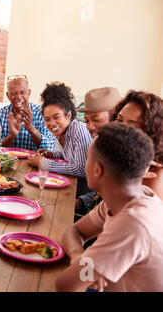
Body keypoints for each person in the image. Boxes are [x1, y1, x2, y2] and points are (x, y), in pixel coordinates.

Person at [56, 123, 163, 292]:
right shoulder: (128, 197)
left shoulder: (132, 224)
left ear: (97, 170)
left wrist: (83, 265)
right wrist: (79, 255)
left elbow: (65, 285)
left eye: (87, 159)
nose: (85, 164)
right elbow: (74, 231)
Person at [27, 82, 92, 196]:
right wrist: (52, 155)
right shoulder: (61, 132)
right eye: (47, 119)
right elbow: (70, 156)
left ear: (68, 115)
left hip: (81, 194)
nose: (51, 123)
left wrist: (44, 164)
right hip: (69, 185)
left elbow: (80, 168)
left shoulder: (78, 129)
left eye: (56, 117)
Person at [74, 87, 122, 215]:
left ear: (114, 117)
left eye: (96, 119)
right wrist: (81, 201)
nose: (89, 126)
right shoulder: (101, 145)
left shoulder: (125, 154)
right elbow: (99, 195)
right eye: (87, 121)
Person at [112, 90, 163, 199]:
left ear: (151, 134)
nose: (119, 130)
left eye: (132, 127)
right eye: (119, 120)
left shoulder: (154, 175)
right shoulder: (122, 158)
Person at [0, 75, 55, 151]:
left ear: (29, 93)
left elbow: (50, 148)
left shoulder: (42, 113)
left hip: (34, 161)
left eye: (22, 92)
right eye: (13, 94)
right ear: (8, 95)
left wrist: (31, 129)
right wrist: (12, 136)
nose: (18, 97)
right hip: (8, 161)